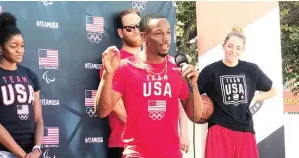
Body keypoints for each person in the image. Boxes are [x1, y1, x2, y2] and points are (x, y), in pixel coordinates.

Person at [95, 13, 203, 158]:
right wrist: (107, 75)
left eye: (168, 33)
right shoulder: (124, 67)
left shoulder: (176, 69)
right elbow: (102, 111)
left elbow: (196, 115)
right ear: (144, 36)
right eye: (159, 33)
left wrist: (194, 85)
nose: (166, 39)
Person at [197, 26, 277, 158]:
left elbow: (273, 90)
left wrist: (255, 98)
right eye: (230, 46)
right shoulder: (211, 71)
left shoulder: (252, 70)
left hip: (244, 129)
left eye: (238, 48)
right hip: (218, 129)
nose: (233, 51)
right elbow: (193, 95)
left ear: (243, 50)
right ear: (224, 46)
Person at [0, 12, 44, 158]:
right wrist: (22, 155)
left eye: (22, 45)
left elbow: (38, 119)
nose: (19, 50)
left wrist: (37, 149)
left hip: (30, 152)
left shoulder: (30, 75)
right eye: (14, 46)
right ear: (0, 48)